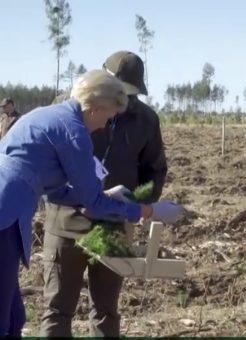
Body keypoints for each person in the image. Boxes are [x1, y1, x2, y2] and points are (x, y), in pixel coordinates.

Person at [0, 69, 182, 336]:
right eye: (108, 117)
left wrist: (106, 197)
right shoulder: (75, 132)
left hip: (10, 206)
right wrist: (148, 210)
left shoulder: (48, 115)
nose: (105, 125)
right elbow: (92, 203)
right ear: (96, 108)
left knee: (14, 314)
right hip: (6, 215)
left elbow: (56, 192)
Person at [40, 51, 168, 337]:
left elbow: (154, 170)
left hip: (114, 225)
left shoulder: (146, 120)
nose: (122, 99)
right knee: (58, 307)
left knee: (106, 309)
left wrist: (140, 204)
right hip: (66, 221)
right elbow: (47, 160)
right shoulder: (66, 106)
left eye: (129, 93)